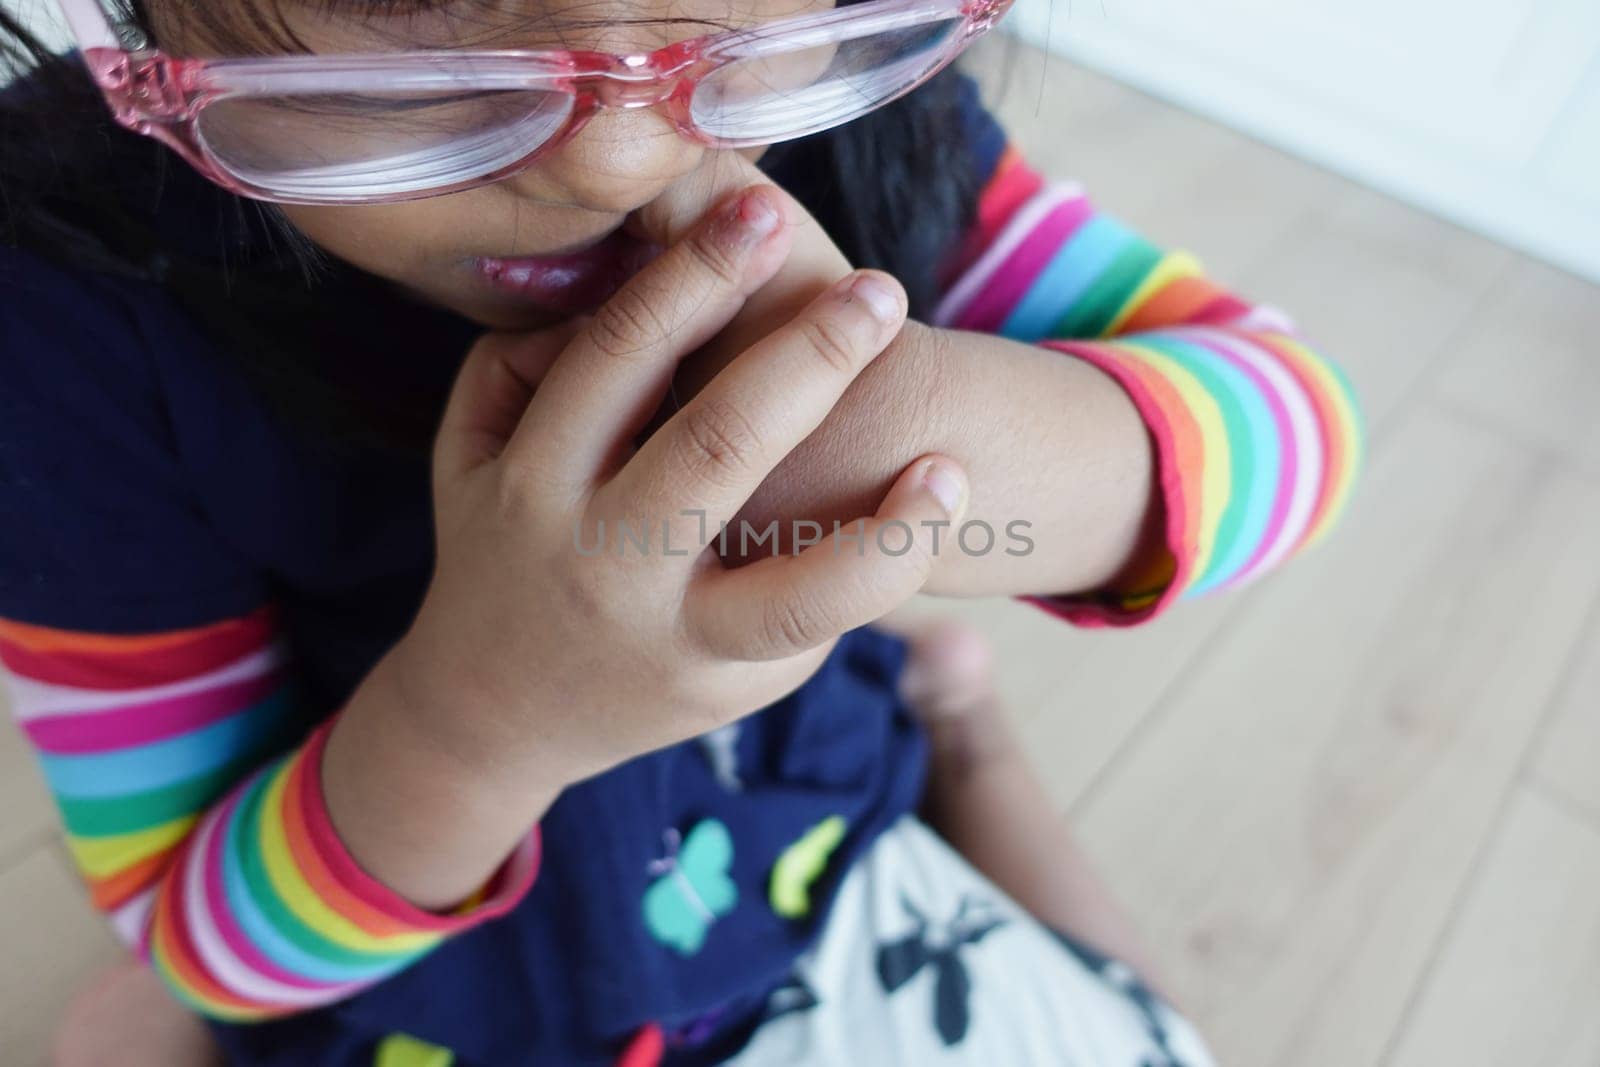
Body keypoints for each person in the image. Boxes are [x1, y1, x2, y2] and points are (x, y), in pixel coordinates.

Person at [0, 0, 1361, 1063]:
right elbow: (203, 934)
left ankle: (962, 731)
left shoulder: (843, 91)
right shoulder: (63, 311)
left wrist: (894, 451)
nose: (628, 153)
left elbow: (1299, 430)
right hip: (425, 977)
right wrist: (488, 717)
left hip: (805, 828)